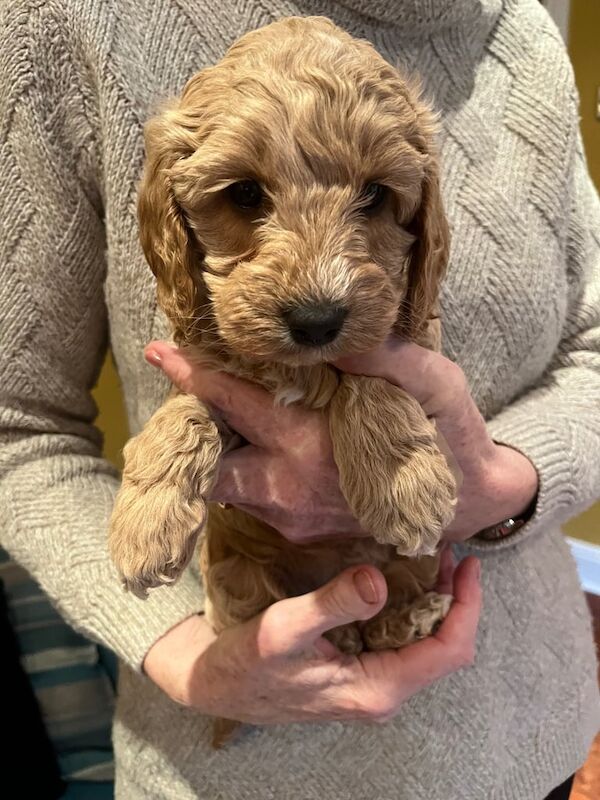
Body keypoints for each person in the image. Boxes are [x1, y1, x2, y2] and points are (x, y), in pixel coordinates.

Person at [0, 0, 598, 798]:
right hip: (231, 766)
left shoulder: (523, 30)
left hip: (530, 738)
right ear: (171, 217)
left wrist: (498, 484)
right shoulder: (69, 19)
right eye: (245, 197)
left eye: (376, 200)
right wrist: (183, 654)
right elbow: (16, 424)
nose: (322, 290)